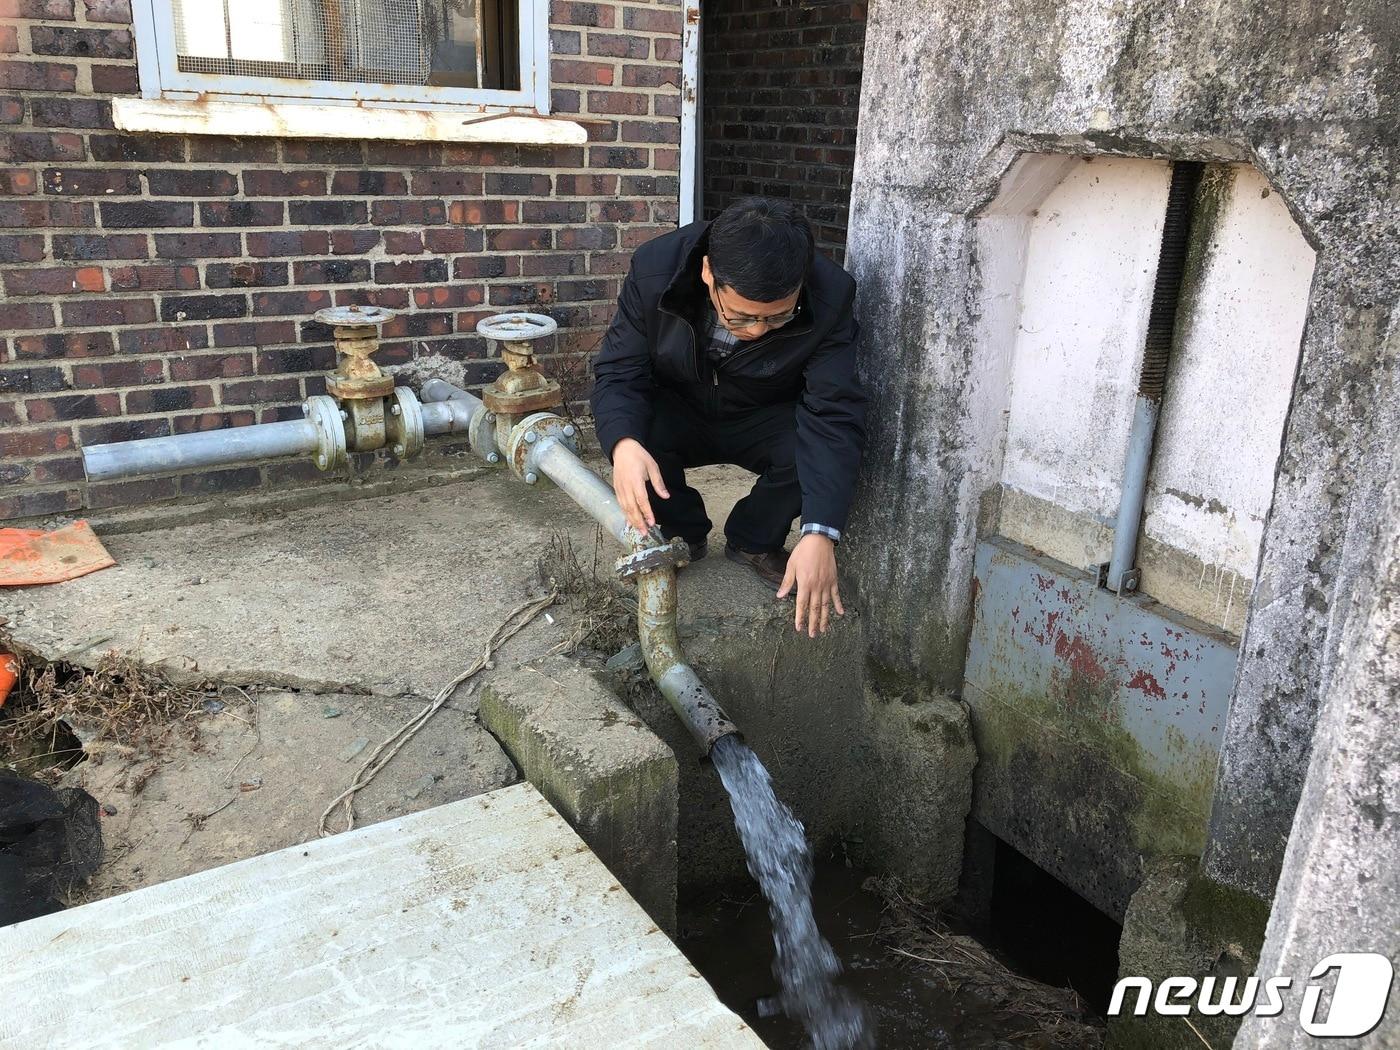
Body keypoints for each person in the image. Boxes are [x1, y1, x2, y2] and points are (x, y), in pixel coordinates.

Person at [590, 197, 867, 638]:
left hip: (765, 412)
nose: (757, 330)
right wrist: (622, 444)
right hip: (677, 405)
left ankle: (754, 541)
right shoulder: (655, 267)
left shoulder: (831, 293)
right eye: (740, 316)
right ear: (707, 273)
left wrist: (821, 532)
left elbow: (833, 412)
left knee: (809, 448)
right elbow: (620, 371)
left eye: (777, 317)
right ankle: (682, 534)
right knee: (637, 435)